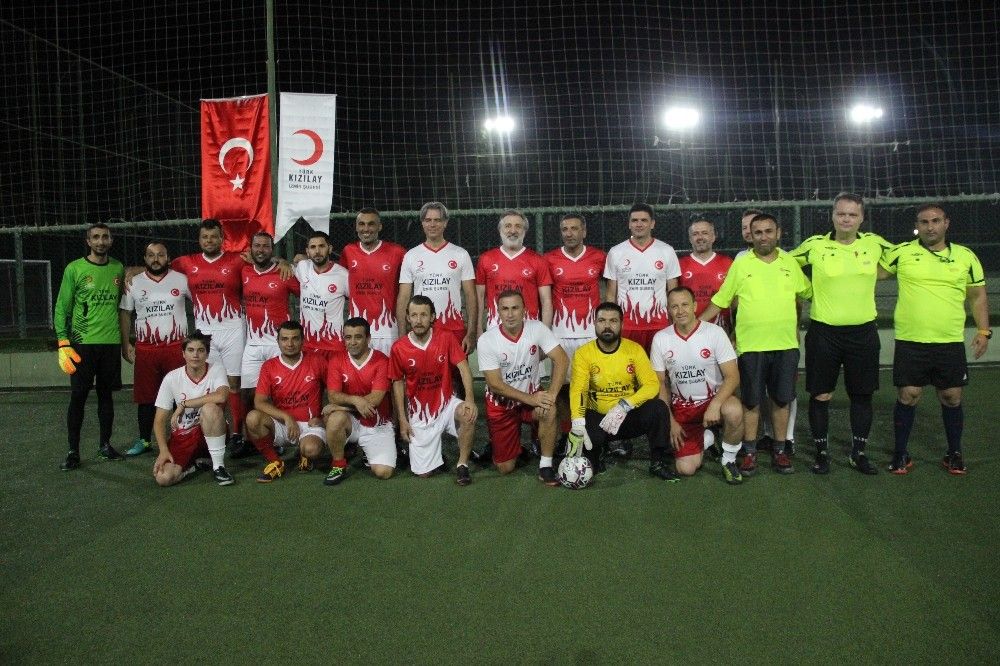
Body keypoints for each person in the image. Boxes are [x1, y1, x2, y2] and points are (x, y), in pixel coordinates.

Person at [881, 203, 991, 475]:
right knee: (908, 395)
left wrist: (983, 331)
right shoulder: (901, 253)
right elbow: (866, 274)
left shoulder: (965, 256)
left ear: (946, 223)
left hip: (949, 342)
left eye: (935, 221)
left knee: (952, 397)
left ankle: (954, 453)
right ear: (917, 226)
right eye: (924, 222)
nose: (930, 227)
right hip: (911, 341)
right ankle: (900, 453)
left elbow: (977, 295)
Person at [700, 214, 812, 476]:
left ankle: (780, 450)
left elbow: (807, 293)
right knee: (751, 402)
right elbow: (722, 299)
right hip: (750, 347)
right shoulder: (741, 264)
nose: (763, 237)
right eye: (758, 232)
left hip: (785, 345)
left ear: (778, 233)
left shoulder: (789, 262)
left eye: (768, 231)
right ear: (751, 235)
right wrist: (696, 325)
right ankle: (749, 452)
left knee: (781, 400)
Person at [791, 193, 893, 475]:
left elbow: (903, 259)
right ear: (833, 216)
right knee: (821, 395)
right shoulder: (815, 245)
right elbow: (784, 264)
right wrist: (807, 289)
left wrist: (878, 273)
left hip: (863, 334)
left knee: (861, 395)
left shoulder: (874, 243)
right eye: (841, 214)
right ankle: (821, 453)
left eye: (852, 215)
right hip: (824, 333)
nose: (846, 219)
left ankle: (858, 453)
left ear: (861, 218)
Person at [566, 302, 678, 481]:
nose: (607, 326)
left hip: (627, 415)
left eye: (613, 321)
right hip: (598, 417)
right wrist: (577, 422)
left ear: (622, 324)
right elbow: (578, 390)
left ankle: (658, 462)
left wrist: (625, 405)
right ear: (594, 323)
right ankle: (598, 452)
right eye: (602, 320)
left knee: (658, 408)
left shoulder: (634, 350)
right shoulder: (583, 353)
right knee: (591, 458)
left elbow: (652, 384)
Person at [650, 287, 744, 484]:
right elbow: (660, 384)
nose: (680, 311)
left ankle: (728, 460)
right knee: (686, 469)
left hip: (714, 402)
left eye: (685, 305)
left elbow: (733, 377)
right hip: (683, 409)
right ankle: (708, 437)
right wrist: (670, 421)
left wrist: (715, 404)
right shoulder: (661, 338)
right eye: (674, 306)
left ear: (694, 306)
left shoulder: (715, 333)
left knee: (734, 411)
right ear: (668, 310)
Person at [169, 219, 249, 449]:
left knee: (234, 384)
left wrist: (282, 261)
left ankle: (237, 433)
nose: (209, 240)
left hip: (233, 329)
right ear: (199, 239)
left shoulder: (237, 260)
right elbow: (160, 266)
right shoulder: (186, 262)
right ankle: (214, 428)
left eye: (214, 236)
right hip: (204, 333)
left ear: (222, 239)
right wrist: (134, 270)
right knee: (212, 385)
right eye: (205, 237)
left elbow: (262, 261)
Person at [477, 290, 569, 485]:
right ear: (498, 312)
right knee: (505, 468)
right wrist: (532, 399)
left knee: (549, 409)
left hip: (530, 398)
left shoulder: (537, 328)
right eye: (505, 309)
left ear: (524, 310)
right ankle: (512, 447)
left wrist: (551, 395)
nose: (510, 314)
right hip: (501, 405)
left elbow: (561, 359)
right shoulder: (487, 340)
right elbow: (495, 385)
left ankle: (545, 465)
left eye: (515, 308)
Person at [55, 223, 126, 470]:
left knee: (106, 396)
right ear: (88, 241)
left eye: (105, 237)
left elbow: (121, 305)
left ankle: (105, 445)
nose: (100, 241)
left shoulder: (118, 268)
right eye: (95, 237)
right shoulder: (74, 269)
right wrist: (63, 341)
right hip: (82, 344)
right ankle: (73, 451)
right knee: (78, 397)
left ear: (111, 240)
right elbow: (62, 307)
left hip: (110, 344)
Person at [390, 295, 477, 485]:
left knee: (467, 414)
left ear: (432, 317)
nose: (418, 320)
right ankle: (436, 455)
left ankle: (462, 464)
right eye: (414, 315)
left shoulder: (446, 338)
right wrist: (403, 419)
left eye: (423, 315)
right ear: (407, 317)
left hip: (447, 404)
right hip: (420, 414)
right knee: (423, 474)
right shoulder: (399, 348)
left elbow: (464, 368)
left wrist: (469, 399)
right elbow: (397, 383)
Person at [119, 241, 190, 457]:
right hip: (147, 349)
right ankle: (144, 440)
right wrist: (125, 343)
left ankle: (182, 436)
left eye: (160, 255)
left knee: (180, 395)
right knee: (146, 397)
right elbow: (125, 313)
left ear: (168, 258)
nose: (156, 259)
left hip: (176, 348)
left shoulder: (182, 280)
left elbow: (201, 302)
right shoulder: (134, 282)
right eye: (151, 255)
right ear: (145, 259)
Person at [245, 320, 329, 484]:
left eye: (295, 338)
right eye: (284, 339)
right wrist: (286, 417)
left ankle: (305, 455)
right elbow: (259, 402)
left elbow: (334, 392)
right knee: (253, 418)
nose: (290, 344)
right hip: (283, 425)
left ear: (302, 341)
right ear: (277, 341)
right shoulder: (269, 366)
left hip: (310, 425)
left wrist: (324, 418)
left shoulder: (317, 361)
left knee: (312, 449)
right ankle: (275, 462)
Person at [151, 330, 233, 486]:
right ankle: (194, 465)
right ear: (183, 354)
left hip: (210, 431)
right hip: (183, 436)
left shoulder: (216, 369)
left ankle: (218, 467)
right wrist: (163, 451)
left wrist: (184, 404)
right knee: (163, 478)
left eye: (201, 350)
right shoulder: (171, 378)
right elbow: (159, 421)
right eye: (190, 350)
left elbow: (221, 396)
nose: (195, 355)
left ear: (207, 354)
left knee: (210, 408)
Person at [397, 202, 477, 352]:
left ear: (445, 223)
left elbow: (470, 295)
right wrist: (402, 335)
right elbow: (404, 297)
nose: (432, 224)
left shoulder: (460, 254)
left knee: (457, 368)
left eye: (437, 220)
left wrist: (471, 332)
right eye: (428, 220)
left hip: (454, 329)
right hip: (421, 331)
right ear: (422, 223)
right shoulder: (411, 256)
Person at [324, 317, 396, 481]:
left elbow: (375, 400)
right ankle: (338, 465)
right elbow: (333, 395)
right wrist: (356, 400)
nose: (352, 342)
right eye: (348, 337)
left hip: (376, 423)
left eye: (358, 337)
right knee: (335, 419)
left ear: (368, 338)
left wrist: (340, 407)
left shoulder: (381, 361)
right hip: (351, 422)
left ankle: (366, 450)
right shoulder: (336, 360)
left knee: (384, 473)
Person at [241, 231, 300, 430]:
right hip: (252, 344)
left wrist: (284, 263)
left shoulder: (284, 273)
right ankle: (251, 437)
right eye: (257, 246)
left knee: (280, 393)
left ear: (272, 249)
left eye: (266, 246)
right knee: (248, 393)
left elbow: (306, 293)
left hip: (278, 344)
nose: (261, 250)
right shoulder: (244, 271)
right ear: (251, 248)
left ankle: (283, 432)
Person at [603, 204, 681, 353]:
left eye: (644, 220)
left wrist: (674, 324)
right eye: (635, 220)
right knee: (628, 367)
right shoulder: (616, 252)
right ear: (629, 224)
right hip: (627, 326)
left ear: (652, 224)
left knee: (659, 367)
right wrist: (612, 324)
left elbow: (674, 293)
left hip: (659, 325)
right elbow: (611, 295)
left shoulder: (667, 251)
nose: (639, 224)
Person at [475, 209, 553, 335]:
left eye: (518, 226)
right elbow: (479, 297)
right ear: (500, 230)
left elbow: (546, 301)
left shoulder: (538, 260)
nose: (512, 230)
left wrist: (545, 334)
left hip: (529, 330)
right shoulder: (486, 259)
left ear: (524, 231)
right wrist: (478, 327)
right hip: (495, 329)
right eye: (508, 226)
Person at [340, 208, 406, 356]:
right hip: (356, 333)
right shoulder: (348, 251)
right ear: (356, 227)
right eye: (361, 224)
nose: (366, 229)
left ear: (379, 226)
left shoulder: (397, 252)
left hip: (388, 331)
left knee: (389, 370)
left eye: (371, 224)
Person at [294, 231, 350, 362]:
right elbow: (290, 264)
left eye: (321, 246)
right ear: (307, 252)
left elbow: (356, 302)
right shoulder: (302, 267)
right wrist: (280, 261)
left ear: (329, 249)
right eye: (313, 247)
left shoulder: (343, 275)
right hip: (307, 345)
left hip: (333, 346)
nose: (317, 251)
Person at [678, 217, 733, 333]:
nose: (700, 237)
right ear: (690, 239)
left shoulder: (728, 263)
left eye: (705, 233)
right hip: (689, 330)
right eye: (695, 234)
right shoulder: (679, 264)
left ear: (713, 237)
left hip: (721, 329)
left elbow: (734, 300)